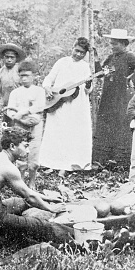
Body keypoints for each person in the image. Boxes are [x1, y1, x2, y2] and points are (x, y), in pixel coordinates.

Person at [0, 127, 65, 242]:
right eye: (25, 146)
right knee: (40, 226)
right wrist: (51, 208)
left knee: (19, 202)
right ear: (12, 146)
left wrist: (48, 198)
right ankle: (78, 240)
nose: (28, 151)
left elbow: (27, 193)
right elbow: (30, 197)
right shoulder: (8, 168)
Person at [92, 29, 135, 168]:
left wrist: (133, 79)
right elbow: (101, 73)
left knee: (121, 126)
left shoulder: (129, 56)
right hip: (108, 96)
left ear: (124, 44)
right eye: (111, 43)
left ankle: (121, 162)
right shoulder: (111, 58)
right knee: (107, 125)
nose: (112, 46)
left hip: (122, 97)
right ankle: (103, 161)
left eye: (115, 44)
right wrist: (95, 57)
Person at [40, 37, 93, 177]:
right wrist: (47, 88)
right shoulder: (62, 62)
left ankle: (68, 166)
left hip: (76, 105)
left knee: (71, 133)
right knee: (56, 132)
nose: (78, 54)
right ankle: (52, 163)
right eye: (77, 51)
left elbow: (88, 90)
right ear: (72, 48)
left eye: (82, 53)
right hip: (58, 102)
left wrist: (88, 84)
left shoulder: (85, 66)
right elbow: (49, 78)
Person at [6, 60, 45, 189]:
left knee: (33, 155)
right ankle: (20, 182)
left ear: (34, 75)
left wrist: (25, 112)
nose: (24, 79)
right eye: (21, 75)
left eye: (27, 75)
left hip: (35, 127)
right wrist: (21, 119)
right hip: (20, 127)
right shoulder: (15, 93)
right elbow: (10, 110)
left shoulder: (39, 91)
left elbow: (39, 106)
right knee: (21, 154)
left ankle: (32, 181)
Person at [0, 43, 26, 127]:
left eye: (12, 57)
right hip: (6, 107)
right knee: (7, 131)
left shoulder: (21, 71)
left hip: (21, 106)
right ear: (3, 57)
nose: (9, 60)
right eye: (7, 57)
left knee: (22, 131)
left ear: (16, 58)